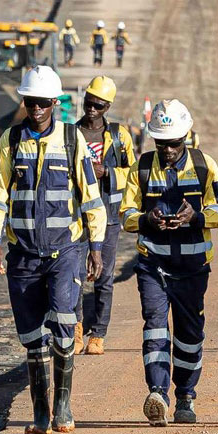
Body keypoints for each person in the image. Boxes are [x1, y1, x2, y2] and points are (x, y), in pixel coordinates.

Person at [0, 66, 106, 434]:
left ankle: (63, 408)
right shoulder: (12, 139)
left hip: (65, 250)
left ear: (55, 103)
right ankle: (40, 413)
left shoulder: (71, 140)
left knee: (65, 326)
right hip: (22, 253)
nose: (35, 109)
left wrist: (95, 248)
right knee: (32, 336)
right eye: (30, 102)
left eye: (42, 103)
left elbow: (90, 196)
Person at [122, 99, 218, 425]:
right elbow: (126, 212)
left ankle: (185, 395)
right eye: (161, 142)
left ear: (185, 136)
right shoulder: (142, 168)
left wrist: (196, 217)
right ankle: (157, 392)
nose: (168, 149)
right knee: (155, 326)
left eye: (173, 143)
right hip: (152, 265)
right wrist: (146, 220)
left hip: (192, 268)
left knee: (189, 335)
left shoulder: (204, 166)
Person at [75, 76, 137, 355]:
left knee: (104, 276)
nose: (92, 109)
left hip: (109, 216)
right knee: (73, 276)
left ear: (107, 106)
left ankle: (98, 334)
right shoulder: (70, 134)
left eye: (98, 105)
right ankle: (74, 331)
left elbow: (135, 175)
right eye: (89, 103)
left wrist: (108, 173)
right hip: (76, 216)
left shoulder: (118, 135)